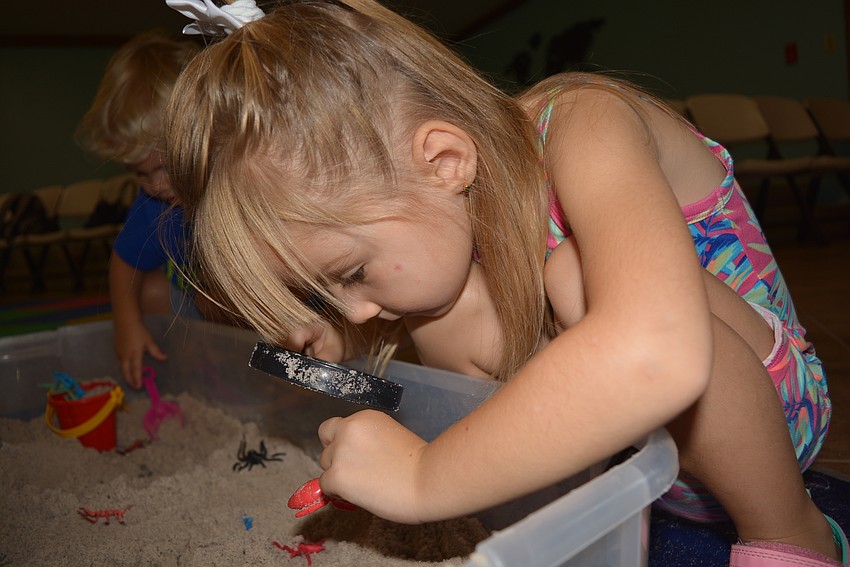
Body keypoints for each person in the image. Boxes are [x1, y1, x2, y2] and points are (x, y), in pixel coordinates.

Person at [162, 1, 847, 565]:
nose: (358, 304)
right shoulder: (436, 225)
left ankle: (795, 533)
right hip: (637, 453)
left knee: (577, 277)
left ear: (444, 159)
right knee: (443, 306)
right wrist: (342, 334)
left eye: (352, 273)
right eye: (322, 288)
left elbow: (657, 349)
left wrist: (425, 476)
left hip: (772, 419)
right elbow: (413, 296)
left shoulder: (585, 121)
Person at [76, 31, 206, 389]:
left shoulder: (231, 191)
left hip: (251, 314)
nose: (157, 186)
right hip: (195, 310)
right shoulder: (153, 202)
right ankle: (183, 377)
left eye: (166, 167)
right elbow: (124, 264)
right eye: (140, 174)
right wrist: (127, 325)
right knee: (148, 291)